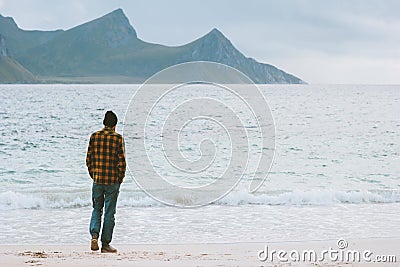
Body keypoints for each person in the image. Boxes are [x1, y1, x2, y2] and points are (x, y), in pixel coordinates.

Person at [86, 111, 126, 253]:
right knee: (110, 213)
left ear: (104, 123)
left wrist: (94, 175)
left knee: (97, 209)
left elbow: (88, 160)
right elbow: (122, 163)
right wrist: (119, 179)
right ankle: (106, 244)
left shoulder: (94, 136)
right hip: (112, 181)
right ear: (114, 125)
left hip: (97, 180)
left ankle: (94, 235)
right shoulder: (118, 139)